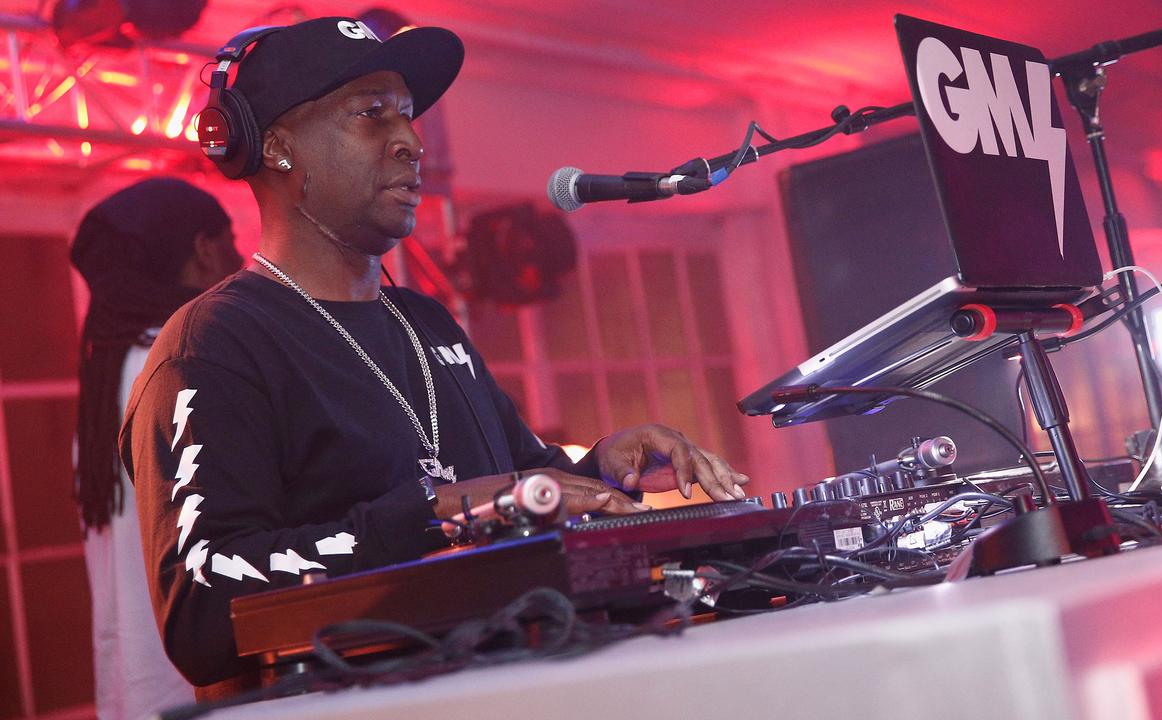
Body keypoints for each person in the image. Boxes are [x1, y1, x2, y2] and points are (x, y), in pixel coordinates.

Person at [118, 17, 749, 695]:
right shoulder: (213, 348)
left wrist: (602, 468)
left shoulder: (426, 322)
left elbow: (519, 481)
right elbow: (203, 609)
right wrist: (437, 512)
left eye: (409, 116)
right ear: (275, 147)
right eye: (371, 115)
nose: (411, 141)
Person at [72, 178, 242, 719]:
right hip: (201, 683)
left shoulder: (114, 373)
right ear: (203, 249)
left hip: (140, 684)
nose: (240, 256)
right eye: (231, 239)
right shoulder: (182, 364)